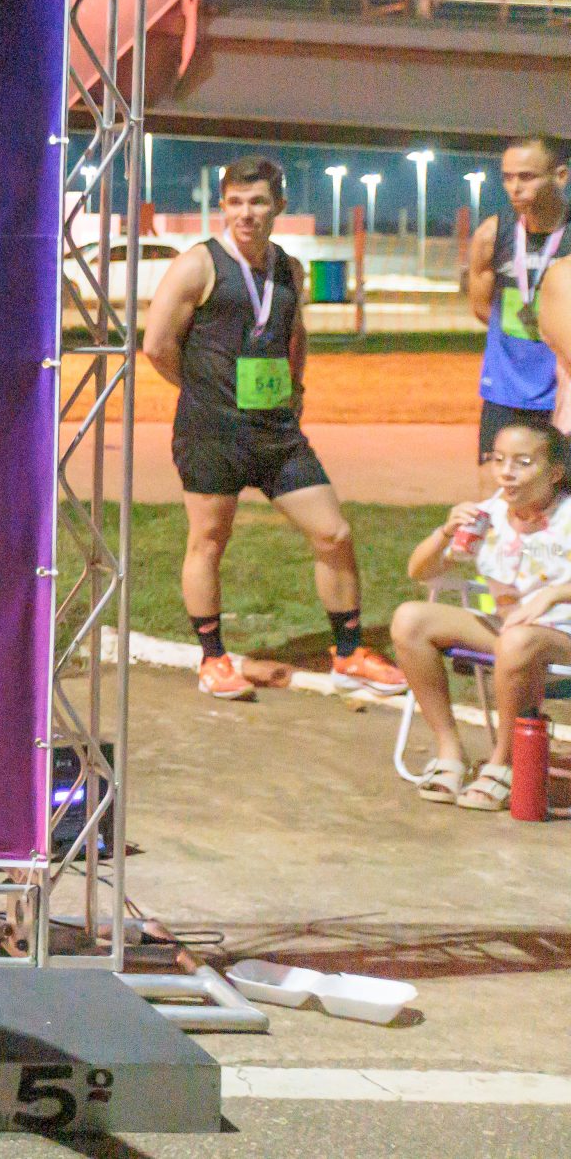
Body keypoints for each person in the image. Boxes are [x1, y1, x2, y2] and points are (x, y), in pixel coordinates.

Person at [141, 156, 403, 701]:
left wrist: (296, 389)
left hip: (277, 433)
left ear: (278, 206)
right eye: (235, 202)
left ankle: (349, 652)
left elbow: (293, 332)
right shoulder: (198, 264)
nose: (246, 213)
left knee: (333, 534)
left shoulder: (288, 268)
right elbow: (158, 344)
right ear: (222, 206)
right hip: (211, 432)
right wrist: (202, 389)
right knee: (208, 541)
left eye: (258, 202)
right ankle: (213, 659)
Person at [392, 419, 571, 810]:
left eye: (523, 462)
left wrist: (555, 594)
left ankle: (504, 762)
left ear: (555, 472)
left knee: (518, 639)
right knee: (410, 619)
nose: (506, 472)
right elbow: (420, 572)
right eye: (499, 459)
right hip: (510, 631)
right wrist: (445, 532)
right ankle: (450, 751)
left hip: (562, 636)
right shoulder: (489, 514)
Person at [466, 135, 571, 463]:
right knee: (497, 485)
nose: (515, 187)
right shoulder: (491, 235)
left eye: (527, 177)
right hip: (504, 393)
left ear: (561, 176)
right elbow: (481, 308)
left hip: (562, 396)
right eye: (508, 177)